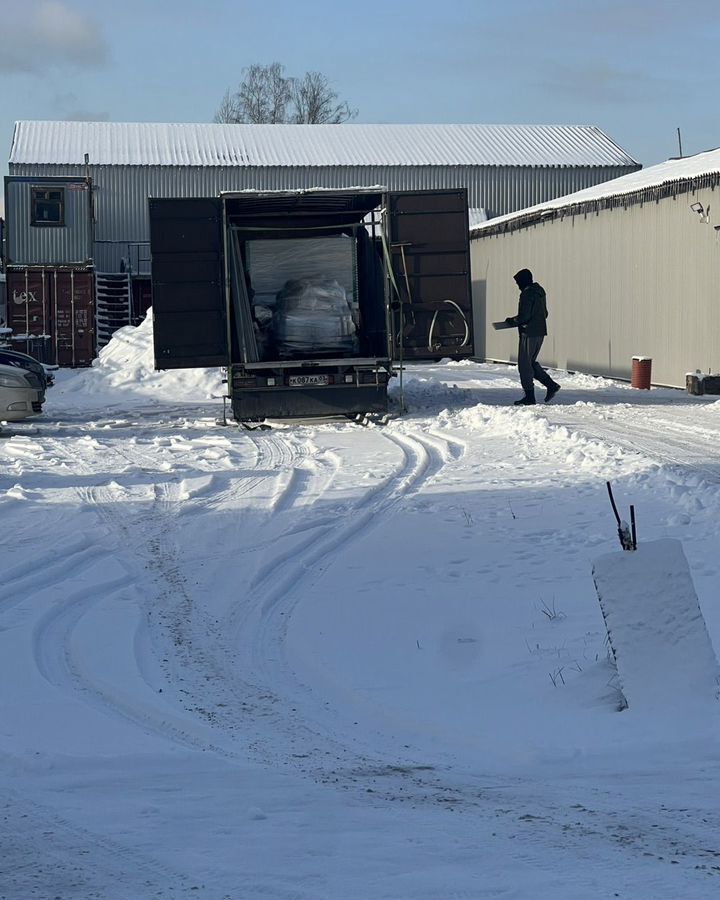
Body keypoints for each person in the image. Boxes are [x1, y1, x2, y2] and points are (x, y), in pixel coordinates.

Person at [504, 268, 561, 406]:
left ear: (523, 281)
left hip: (528, 333)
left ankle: (530, 396)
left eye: (518, 282)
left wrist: (512, 321)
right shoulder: (540, 291)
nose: (518, 286)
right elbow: (545, 313)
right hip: (540, 331)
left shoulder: (527, 294)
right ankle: (551, 385)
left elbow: (524, 316)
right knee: (530, 363)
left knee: (524, 365)